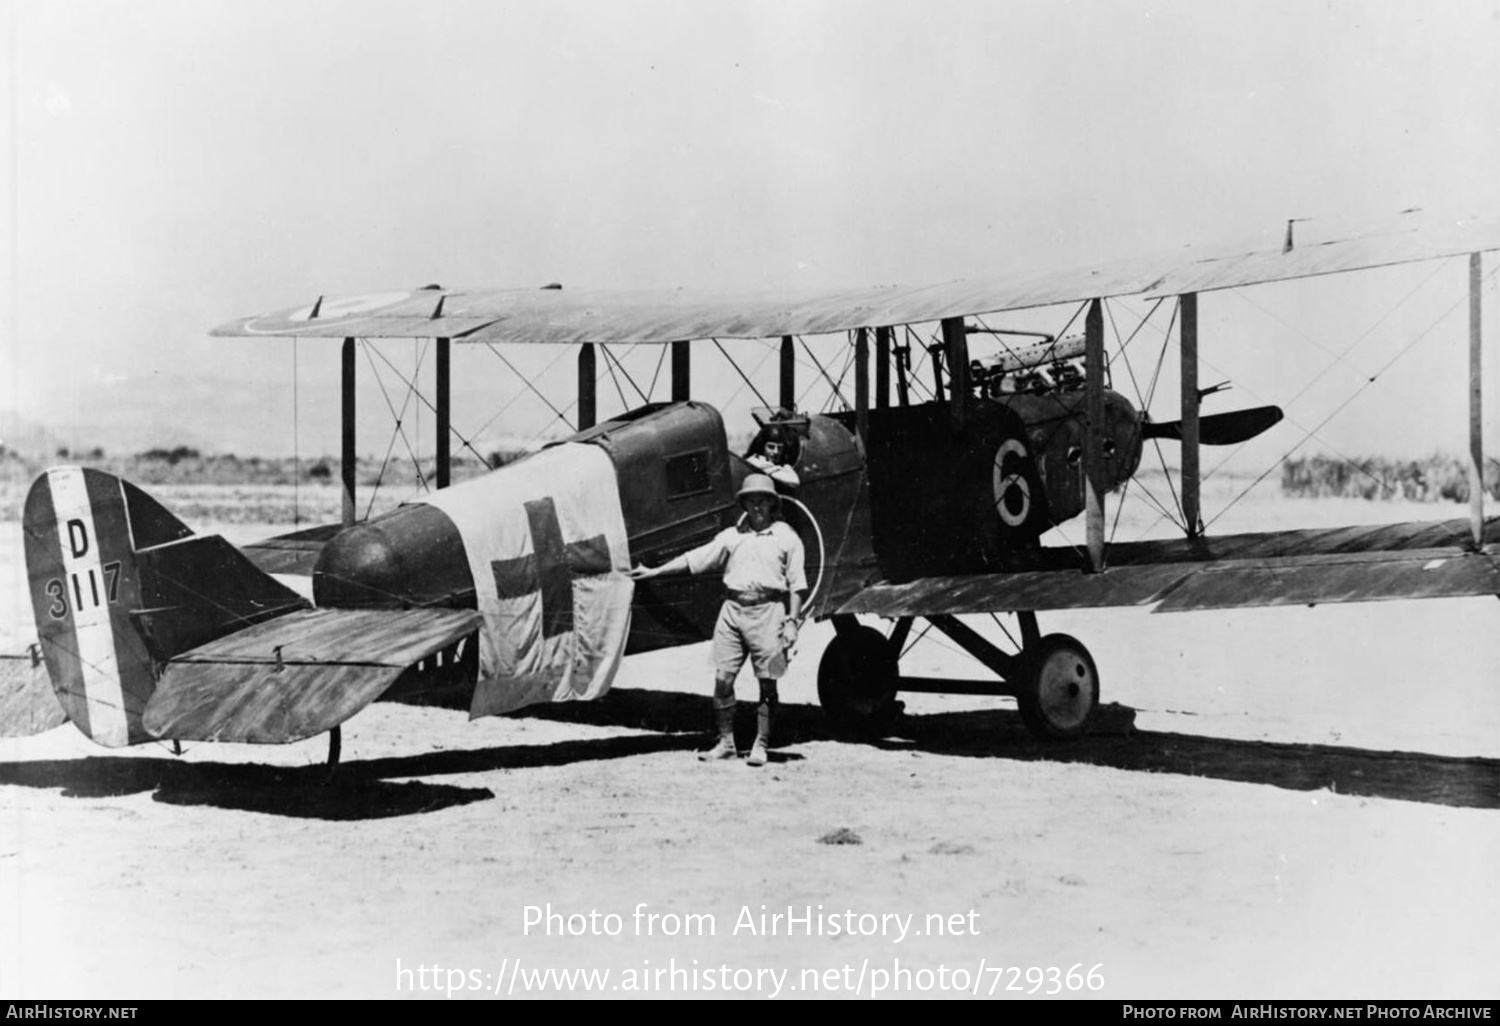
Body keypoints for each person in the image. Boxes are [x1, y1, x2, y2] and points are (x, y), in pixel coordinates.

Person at [627, 474, 807, 766]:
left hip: (768, 612)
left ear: (772, 504)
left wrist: (791, 622)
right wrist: (655, 572)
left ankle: (761, 742)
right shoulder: (731, 536)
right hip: (732, 611)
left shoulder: (787, 537)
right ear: (744, 503)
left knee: (767, 684)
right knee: (722, 679)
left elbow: (797, 584)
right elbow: (695, 558)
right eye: (751, 500)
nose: (756, 505)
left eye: (762, 500)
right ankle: (726, 743)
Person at [745, 425, 801, 489]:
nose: (776, 452)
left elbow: (795, 481)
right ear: (762, 447)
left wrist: (769, 468)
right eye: (771, 447)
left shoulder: (784, 466)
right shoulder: (753, 461)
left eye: (779, 448)